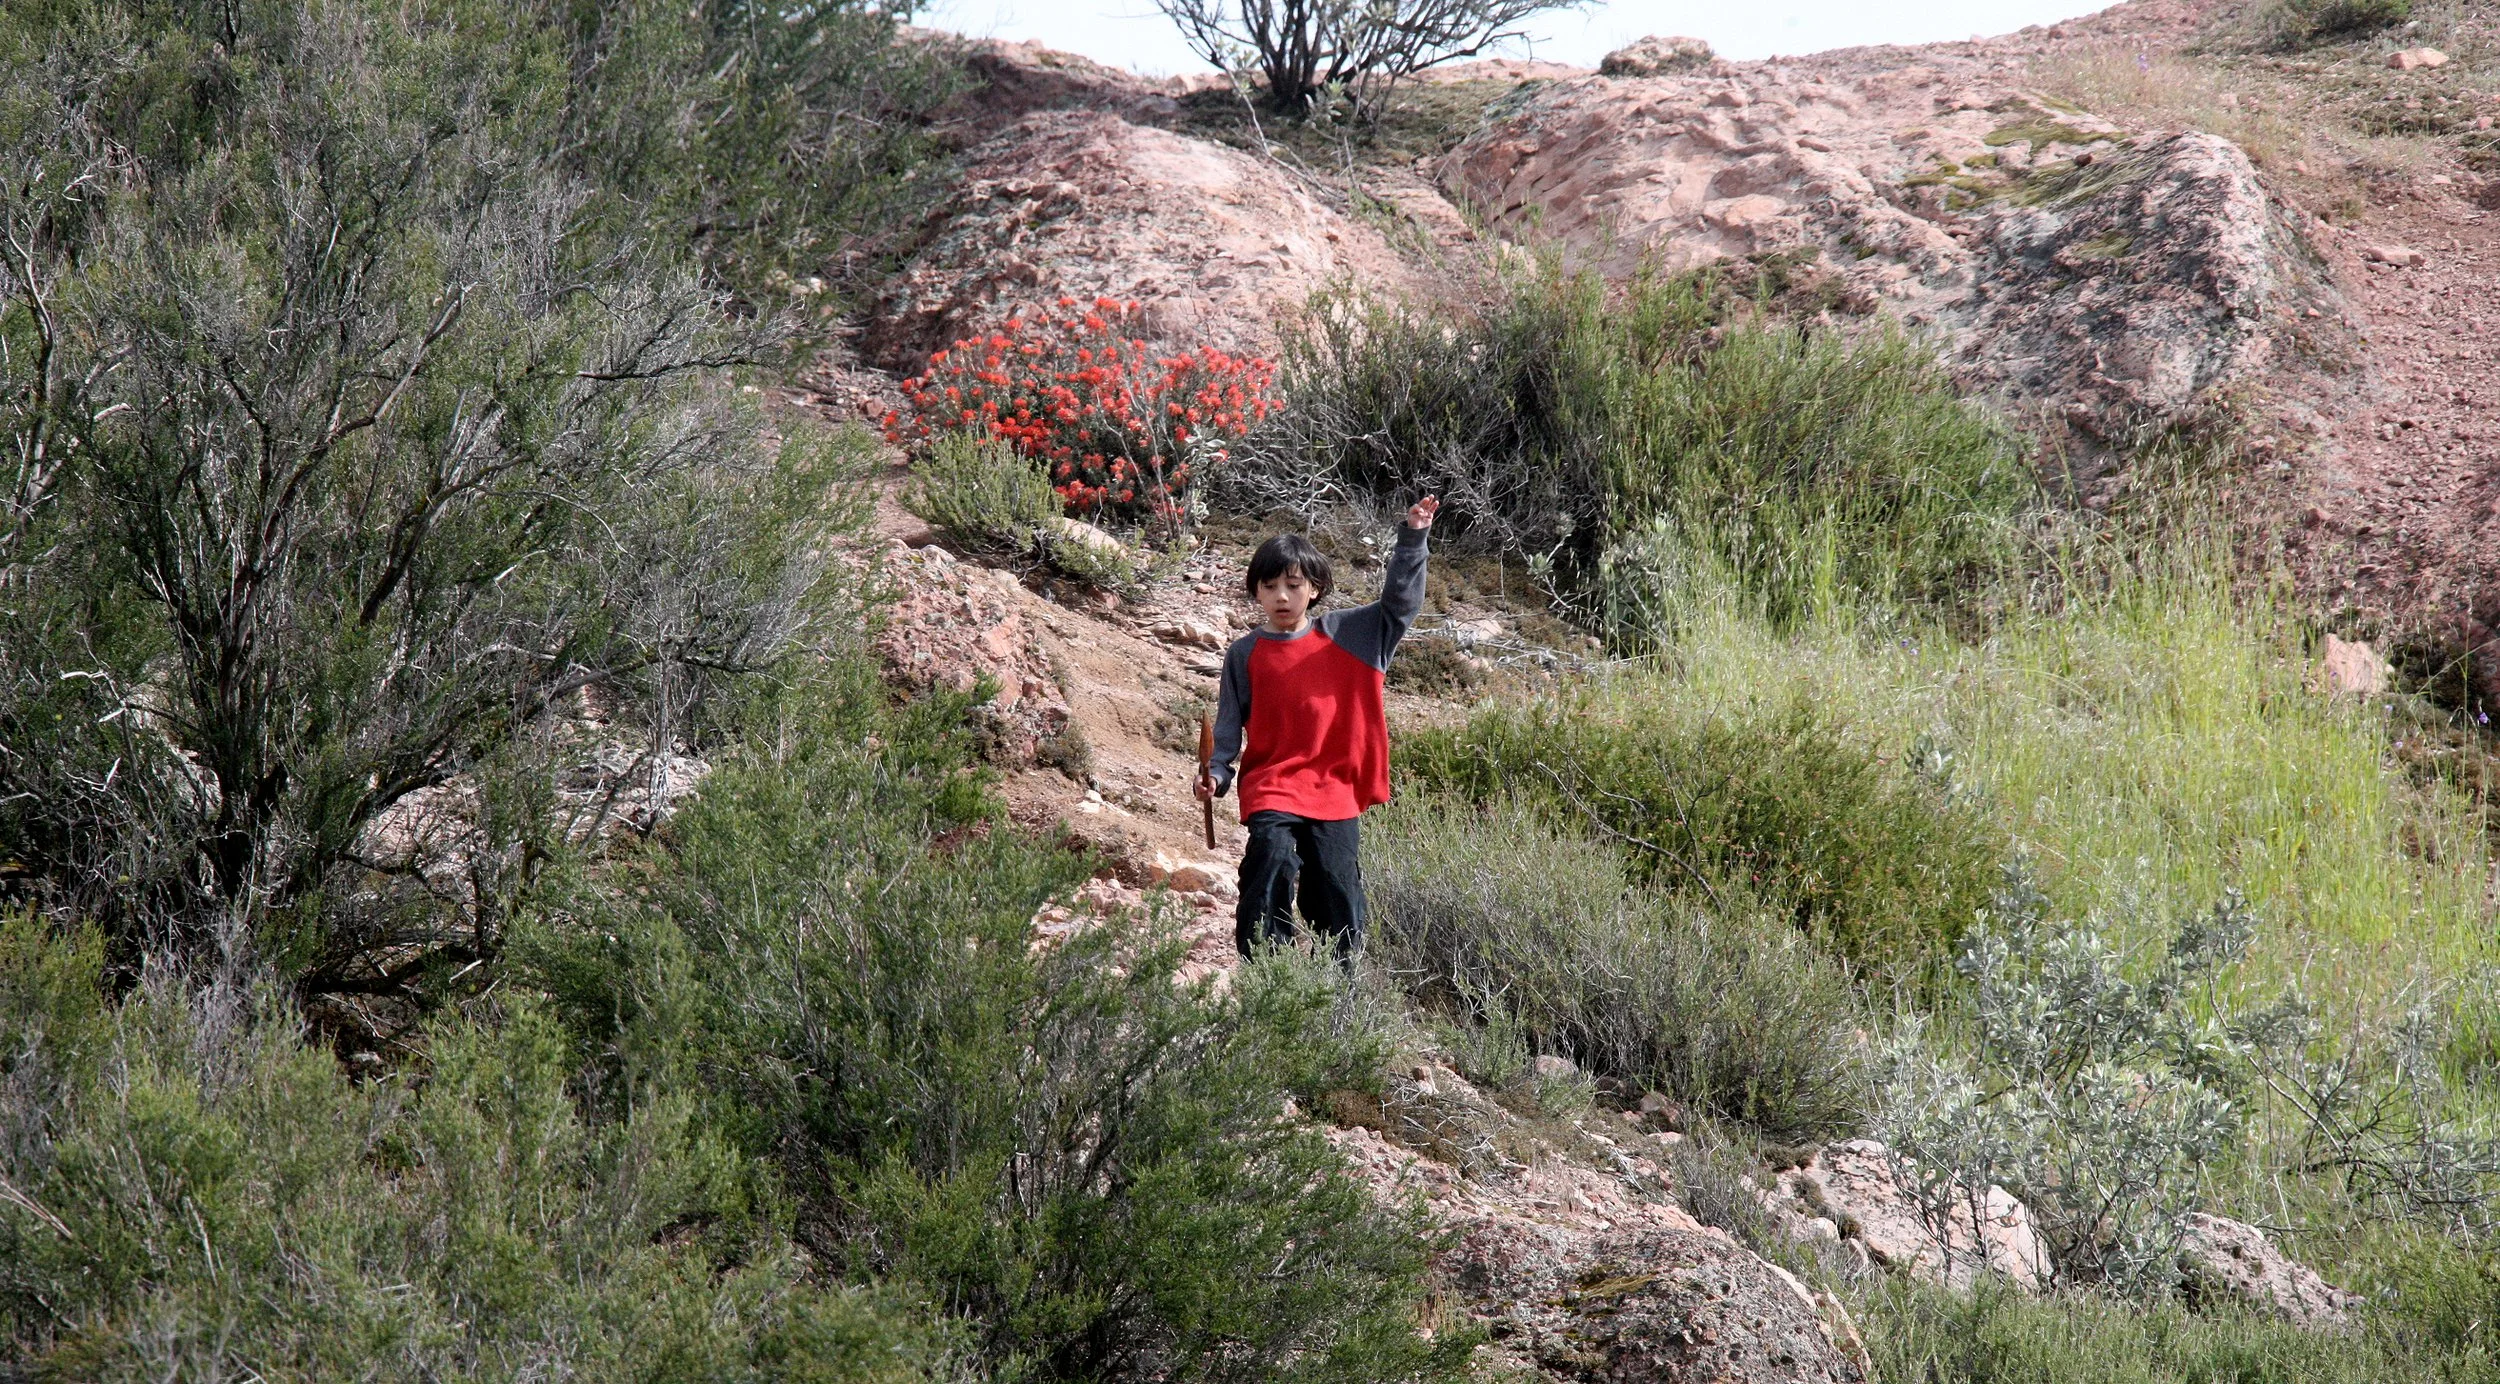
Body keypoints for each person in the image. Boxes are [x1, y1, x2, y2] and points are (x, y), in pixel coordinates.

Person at [1198, 495, 1440, 958]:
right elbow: (1226, 735)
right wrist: (1216, 774)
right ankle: (1269, 976)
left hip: (1335, 787)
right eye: (1269, 586)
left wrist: (1413, 538)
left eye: (1292, 584)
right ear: (1256, 592)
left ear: (1315, 588)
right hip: (1273, 784)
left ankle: (1337, 987)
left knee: (1335, 886)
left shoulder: (1353, 635)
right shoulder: (1244, 654)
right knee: (1268, 859)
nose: (1281, 596)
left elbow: (1400, 604)